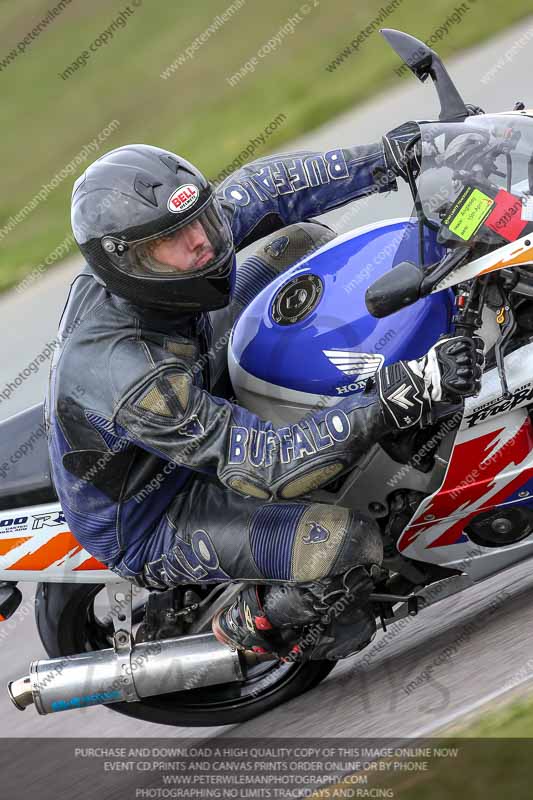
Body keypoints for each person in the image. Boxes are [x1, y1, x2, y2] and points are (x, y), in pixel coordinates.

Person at [46, 129, 483, 662]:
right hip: (161, 507)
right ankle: (256, 622)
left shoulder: (173, 246)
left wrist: (398, 154)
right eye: (174, 240)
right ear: (129, 262)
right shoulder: (126, 372)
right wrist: (397, 396)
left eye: (200, 220)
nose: (201, 242)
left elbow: (267, 186)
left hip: (195, 369)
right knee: (348, 544)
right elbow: (267, 462)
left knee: (299, 243)